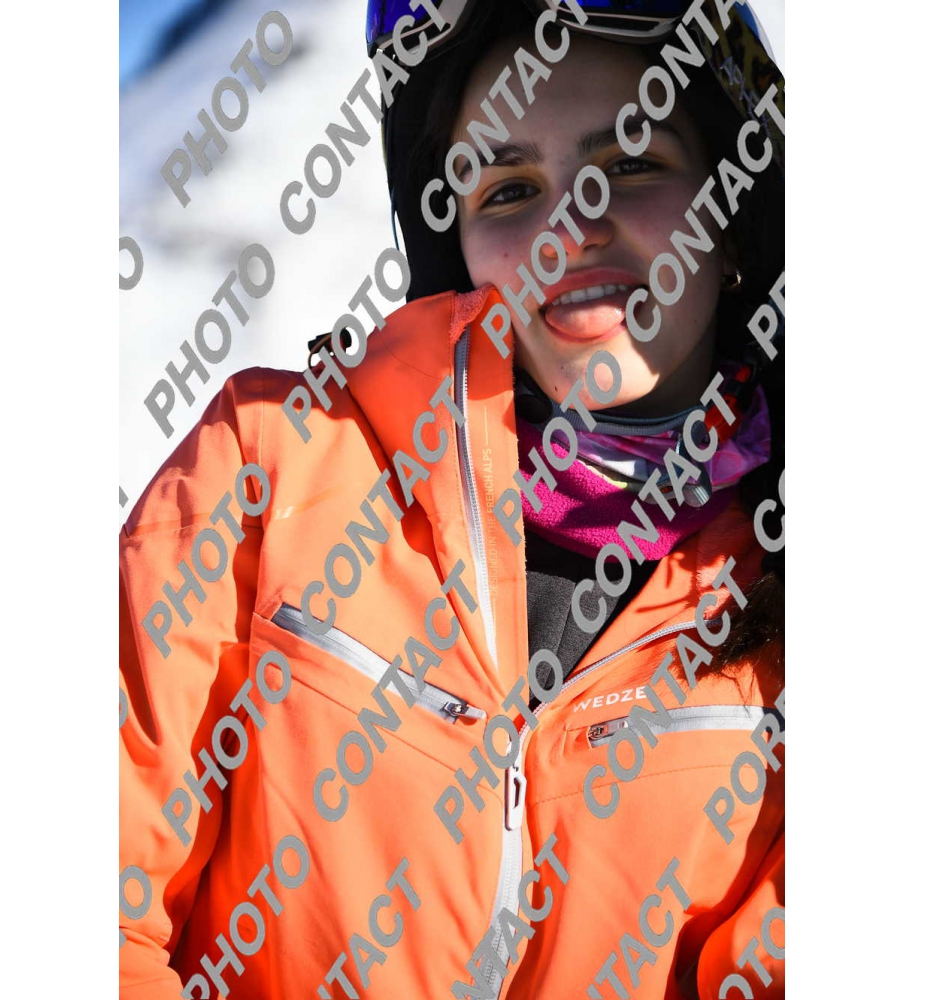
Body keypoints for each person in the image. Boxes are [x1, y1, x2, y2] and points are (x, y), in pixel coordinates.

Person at [119, 2, 785, 997]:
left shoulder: (795, 592)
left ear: (732, 219)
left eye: (632, 164)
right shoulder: (267, 467)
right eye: (509, 189)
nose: (567, 229)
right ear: (457, 247)